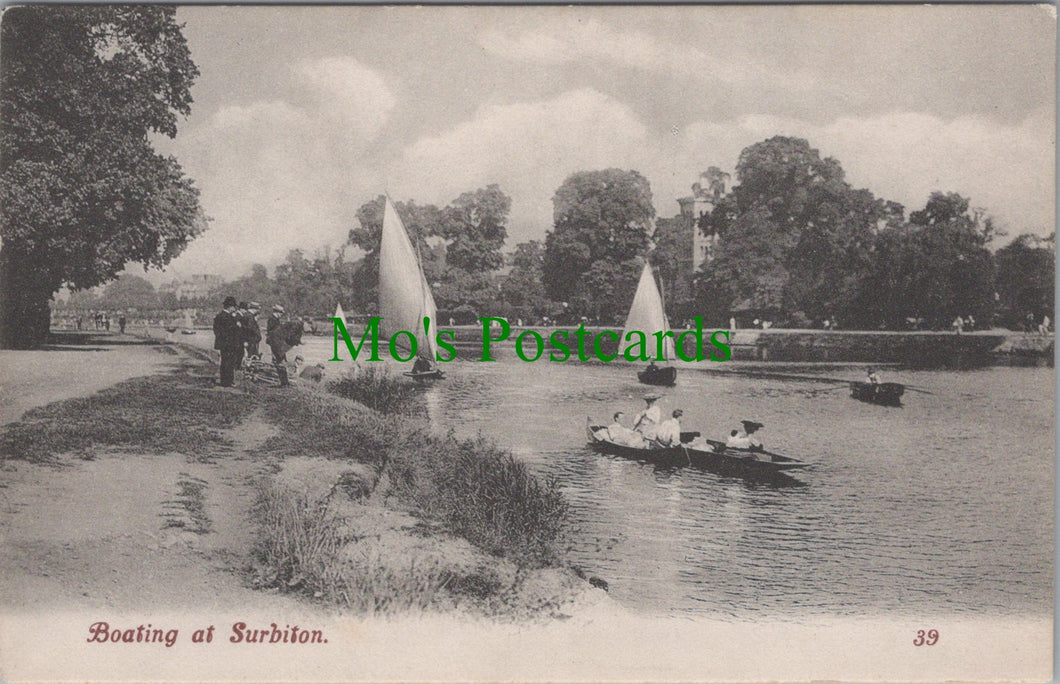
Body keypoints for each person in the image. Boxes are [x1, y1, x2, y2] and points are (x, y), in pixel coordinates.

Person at [212, 296, 244, 387]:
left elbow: (216, 330)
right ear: (230, 307)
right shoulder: (228, 317)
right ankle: (228, 382)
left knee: (225, 362)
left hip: (223, 344)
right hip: (230, 344)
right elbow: (231, 330)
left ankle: (225, 381)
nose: (234, 309)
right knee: (229, 363)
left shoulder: (219, 316)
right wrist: (237, 326)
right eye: (234, 307)